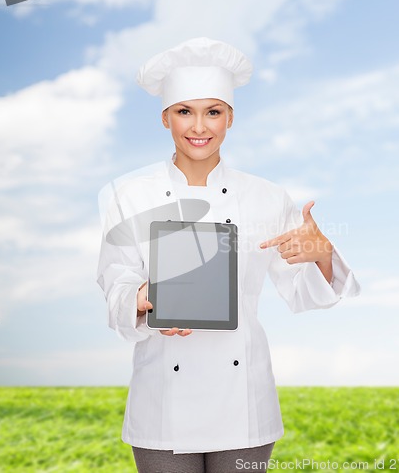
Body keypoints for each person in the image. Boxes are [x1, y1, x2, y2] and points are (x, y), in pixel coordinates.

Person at [97, 37, 360, 473]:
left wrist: (322, 254)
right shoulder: (131, 196)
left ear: (230, 118)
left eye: (213, 112)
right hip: (162, 402)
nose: (199, 127)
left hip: (242, 403)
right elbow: (114, 282)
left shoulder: (266, 197)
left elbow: (302, 294)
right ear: (166, 117)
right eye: (185, 111)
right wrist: (142, 297)